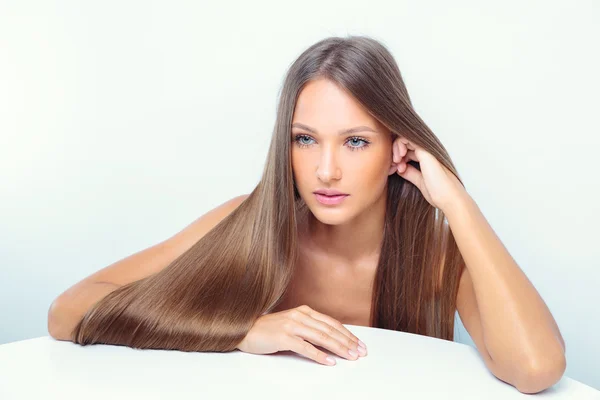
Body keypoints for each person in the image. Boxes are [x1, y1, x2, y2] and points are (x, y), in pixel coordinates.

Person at [47, 35, 565, 393]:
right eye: (305, 140)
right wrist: (240, 329)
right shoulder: (246, 226)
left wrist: (456, 203)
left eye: (356, 142)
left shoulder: (432, 256)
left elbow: (537, 368)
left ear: (397, 150)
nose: (326, 170)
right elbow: (69, 311)